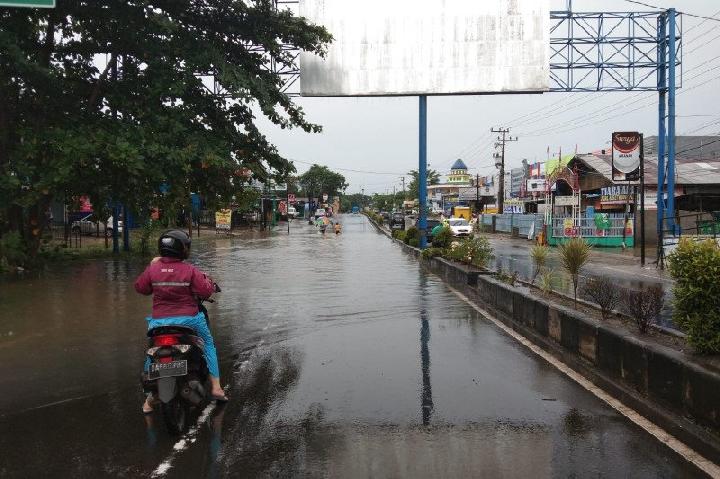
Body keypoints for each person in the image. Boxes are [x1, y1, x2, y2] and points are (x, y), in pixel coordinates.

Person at [134, 230, 227, 413]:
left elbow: (141, 288)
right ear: (183, 250)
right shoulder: (190, 270)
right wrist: (208, 281)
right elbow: (206, 291)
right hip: (189, 321)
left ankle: (148, 399)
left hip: (159, 323)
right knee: (208, 344)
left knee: (151, 353)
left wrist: (151, 266)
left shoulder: (153, 268)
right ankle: (216, 387)